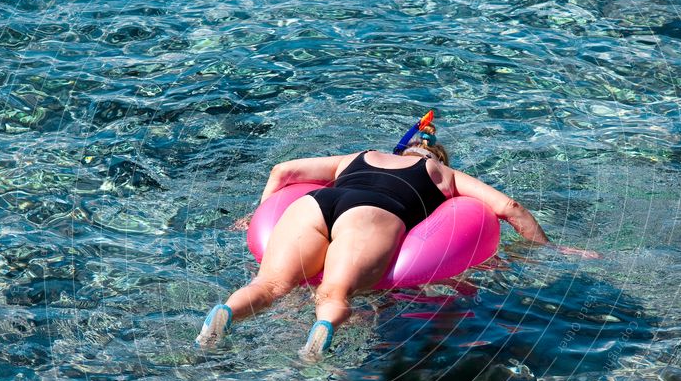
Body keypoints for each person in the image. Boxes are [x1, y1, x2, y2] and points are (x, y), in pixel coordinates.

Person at [195, 121, 598, 358]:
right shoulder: (444, 175)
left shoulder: (357, 157)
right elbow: (509, 207)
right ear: (435, 157)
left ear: (400, 149)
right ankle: (316, 343)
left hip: (316, 204)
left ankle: (224, 316)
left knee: (268, 285)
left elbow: (283, 172)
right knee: (335, 294)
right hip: (372, 217)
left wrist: (259, 215)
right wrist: (548, 249)